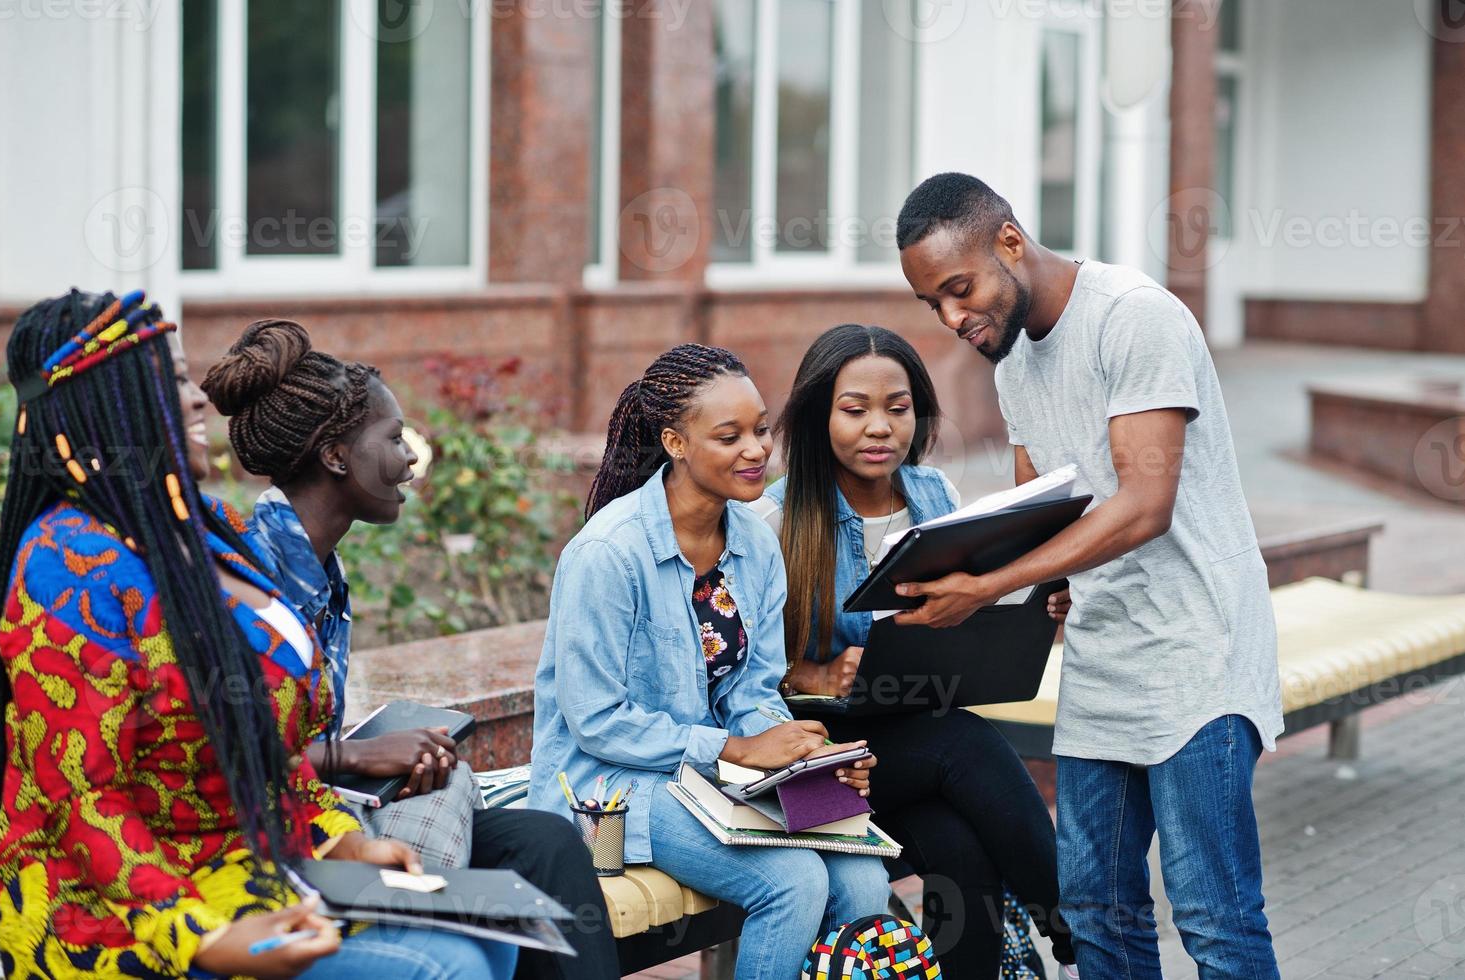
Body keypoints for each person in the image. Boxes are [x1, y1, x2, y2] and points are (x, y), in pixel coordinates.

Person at [0, 289, 515, 978]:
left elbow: (257, 749)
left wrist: (338, 843)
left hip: (248, 869)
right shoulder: (65, 564)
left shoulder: (206, 532)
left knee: (494, 931)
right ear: (109, 399)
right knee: (444, 966)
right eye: (174, 379)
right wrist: (200, 936)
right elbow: (78, 798)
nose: (200, 398)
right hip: (121, 916)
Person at [895, 173, 1284, 979]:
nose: (952, 318)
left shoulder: (1130, 317)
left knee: (1212, 916)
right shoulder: (1012, 367)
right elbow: (1047, 508)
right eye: (932, 303)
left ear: (1008, 240)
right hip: (1105, 657)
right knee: (1097, 913)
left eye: (958, 290)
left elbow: (1145, 504)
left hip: (1196, 649)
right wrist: (1003, 578)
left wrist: (987, 584)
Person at [201, 318, 619, 980]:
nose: (411, 458)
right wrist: (359, 753)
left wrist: (376, 753)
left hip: (333, 808)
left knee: (545, 843)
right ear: (336, 456)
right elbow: (226, 752)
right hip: (277, 841)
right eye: (393, 439)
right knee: (491, 903)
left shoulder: (318, 569)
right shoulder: (254, 580)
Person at [528, 344, 891, 980]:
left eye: (760, 429)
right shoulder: (608, 555)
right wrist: (736, 750)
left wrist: (809, 755)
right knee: (794, 882)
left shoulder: (753, 540)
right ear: (675, 441)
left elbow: (755, 687)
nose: (756, 450)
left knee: (862, 879)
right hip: (611, 786)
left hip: (718, 780)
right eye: (729, 436)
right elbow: (597, 722)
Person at [748, 322, 1078, 978]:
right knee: (965, 744)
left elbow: (950, 619)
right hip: (811, 770)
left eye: (897, 410)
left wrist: (1013, 612)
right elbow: (737, 675)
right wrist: (810, 671)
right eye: (855, 410)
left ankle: (1063, 948)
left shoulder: (935, 498)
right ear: (818, 416)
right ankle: (1080, 945)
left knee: (961, 848)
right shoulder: (774, 518)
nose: (879, 427)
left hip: (907, 747)